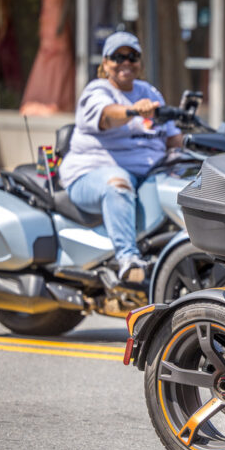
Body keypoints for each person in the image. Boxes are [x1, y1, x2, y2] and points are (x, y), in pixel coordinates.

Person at [58, 31, 182, 282]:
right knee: (118, 183)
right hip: (89, 174)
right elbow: (107, 116)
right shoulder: (97, 91)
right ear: (105, 63)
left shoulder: (149, 92)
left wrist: (188, 152)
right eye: (118, 56)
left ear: (140, 62)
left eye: (132, 56)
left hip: (148, 172)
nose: (126, 62)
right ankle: (128, 259)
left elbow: (172, 136)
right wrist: (134, 110)